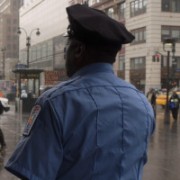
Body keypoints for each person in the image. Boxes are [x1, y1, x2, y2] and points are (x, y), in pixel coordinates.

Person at [5, 4, 155, 180]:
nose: (64, 55)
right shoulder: (142, 103)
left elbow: (33, 172)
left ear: (78, 50)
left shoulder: (57, 102)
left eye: (66, 48)